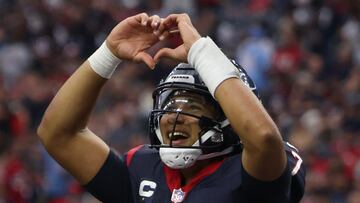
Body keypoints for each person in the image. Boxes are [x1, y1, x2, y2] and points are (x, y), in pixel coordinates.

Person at [37, 12, 305, 202]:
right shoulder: (143, 170)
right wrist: (108, 53)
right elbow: (58, 135)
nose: (175, 117)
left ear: (230, 119)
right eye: (170, 105)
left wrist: (200, 50)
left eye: (193, 105)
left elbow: (264, 137)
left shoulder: (252, 170)